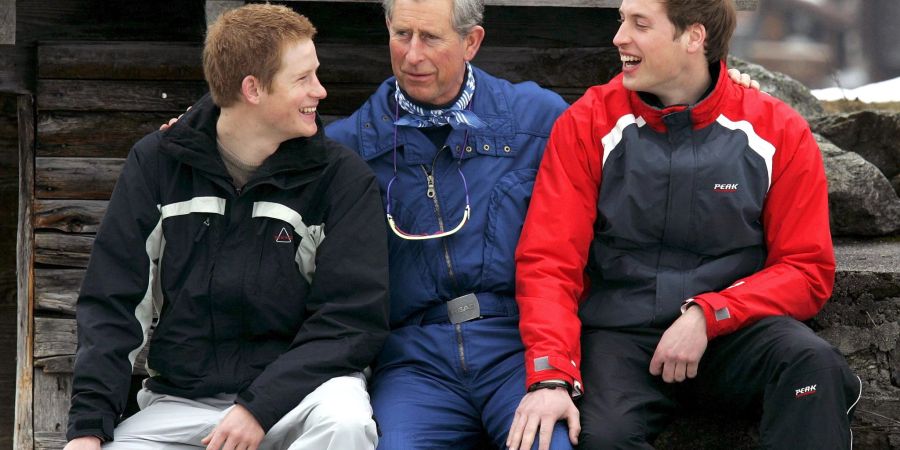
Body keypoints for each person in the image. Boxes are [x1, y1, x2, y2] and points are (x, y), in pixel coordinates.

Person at [508, 0, 861, 449]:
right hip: (621, 337)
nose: (619, 37)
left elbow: (806, 268)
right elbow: (549, 262)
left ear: (694, 37)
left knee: (814, 370)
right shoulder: (587, 124)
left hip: (734, 332)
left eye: (639, 24)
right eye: (621, 20)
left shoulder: (778, 131)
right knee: (598, 438)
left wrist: (710, 313)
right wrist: (551, 374)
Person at [64, 5, 389, 450]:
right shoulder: (158, 164)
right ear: (252, 89)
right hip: (182, 401)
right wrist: (87, 428)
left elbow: (350, 320)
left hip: (306, 396)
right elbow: (112, 303)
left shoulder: (341, 179)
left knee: (346, 426)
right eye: (303, 78)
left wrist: (258, 407)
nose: (321, 90)